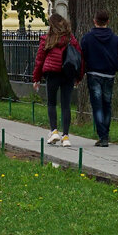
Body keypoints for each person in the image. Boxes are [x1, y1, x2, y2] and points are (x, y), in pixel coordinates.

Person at [32, 13, 84, 148]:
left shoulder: (47, 39)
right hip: (68, 74)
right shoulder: (70, 39)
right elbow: (79, 58)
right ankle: (65, 136)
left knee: (51, 103)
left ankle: (54, 131)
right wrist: (78, 76)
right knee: (66, 105)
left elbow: (39, 60)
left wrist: (36, 78)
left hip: (52, 73)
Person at [80, 10, 118, 147]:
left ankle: (103, 136)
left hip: (94, 74)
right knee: (107, 104)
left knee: (97, 106)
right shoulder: (116, 39)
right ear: (108, 22)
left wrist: (80, 75)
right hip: (110, 75)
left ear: (95, 21)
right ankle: (105, 134)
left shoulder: (87, 38)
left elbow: (83, 59)